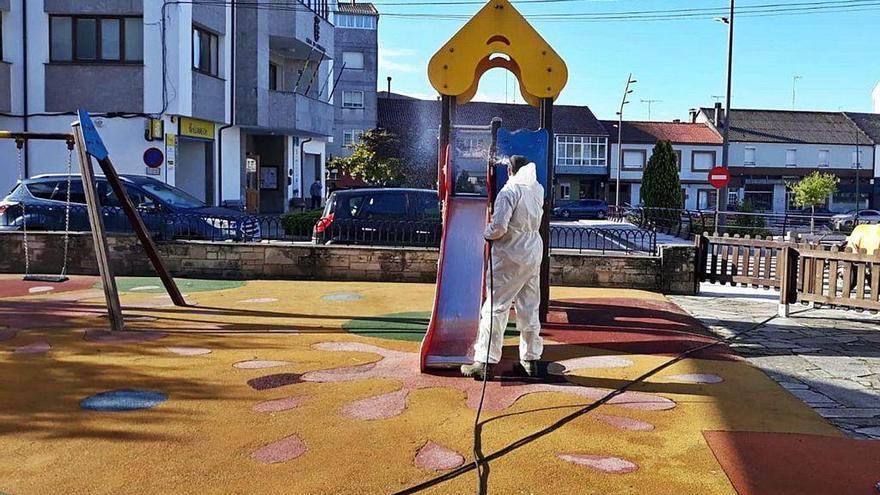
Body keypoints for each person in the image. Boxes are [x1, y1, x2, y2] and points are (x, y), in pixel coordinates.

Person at [461, 155, 545, 380]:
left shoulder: (509, 192)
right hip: (533, 251)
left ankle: (485, 362)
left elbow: (499, 227)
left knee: (496, 306)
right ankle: (531, 360)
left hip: (511, 253)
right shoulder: (537, 189)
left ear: (510, 170)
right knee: (529, 306)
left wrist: (486, 233)